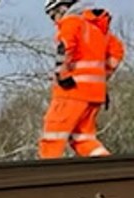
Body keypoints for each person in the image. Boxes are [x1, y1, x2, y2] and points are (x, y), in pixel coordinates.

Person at [39, 0, 124, 159]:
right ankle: (106, 167)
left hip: (72, 90)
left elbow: (64, 47)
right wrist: (102, 78)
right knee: (83, 138)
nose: (55, 21)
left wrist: (61, 74)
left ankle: (46, 174)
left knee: (53, 133)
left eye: (53, 15)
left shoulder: (71, 22)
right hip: (95, 94)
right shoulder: (99, 28)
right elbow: (117, 52)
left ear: (63, 7)